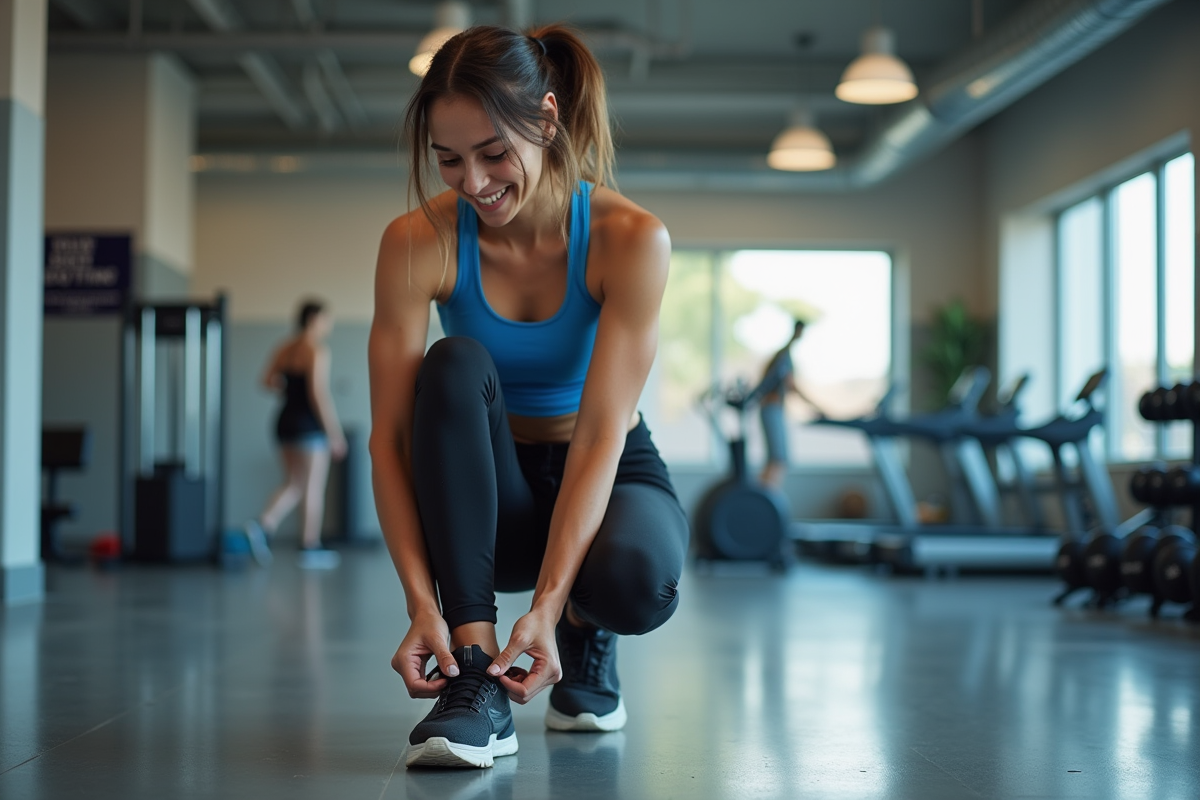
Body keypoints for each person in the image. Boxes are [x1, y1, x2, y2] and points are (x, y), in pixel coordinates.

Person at [369, 23, 689, 769]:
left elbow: (602, 432)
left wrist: (547, 608)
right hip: (488, 488)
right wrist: (425, 606)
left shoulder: (630, 237)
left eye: (492, 154)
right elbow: (389, 439)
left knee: (642, 583)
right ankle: (475, 679)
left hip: (605, 471)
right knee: (451, 364)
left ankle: (581, 627)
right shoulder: (417, 240)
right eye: (448, 160)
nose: (473, 183)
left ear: (546, 120)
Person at [244, 300, 347, 569]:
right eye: (326, 319)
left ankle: (262, 526)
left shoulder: (285, 348)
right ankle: (309, 546)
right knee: (311, 487)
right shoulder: (316, 350)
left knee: (294, 483)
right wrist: (334, 433)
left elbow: (267, 380)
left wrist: (288, 390)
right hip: (308, 427)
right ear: (314, 319)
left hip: (284, 422)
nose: (329, 324)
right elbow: (318, 395)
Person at [743, 319, 824, 490]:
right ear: (798, 331)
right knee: (778, 459)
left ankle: (760, 500)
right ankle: (760, 500)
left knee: (777, 460)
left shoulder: (783, 356)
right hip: (771, 409)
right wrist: (817, 407)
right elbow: (791, 387)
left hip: (773, 409)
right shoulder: (783, 357)